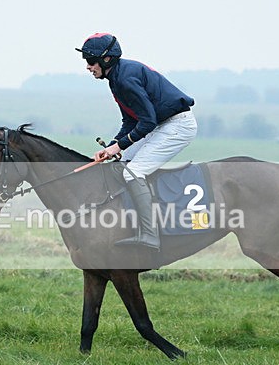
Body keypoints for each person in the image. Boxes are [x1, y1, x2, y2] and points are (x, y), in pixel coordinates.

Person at [75, 33, 198, 250]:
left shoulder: (124, 79)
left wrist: (119, 146)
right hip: (161, 124)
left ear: (106, 59)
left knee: (133, 172)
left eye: (91, 61)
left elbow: (148, 122)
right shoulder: (116, 78)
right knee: (119, 165)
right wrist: (112, 146)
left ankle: (151, 235)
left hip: (177, 125)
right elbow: (130, 121)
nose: (88, 67)